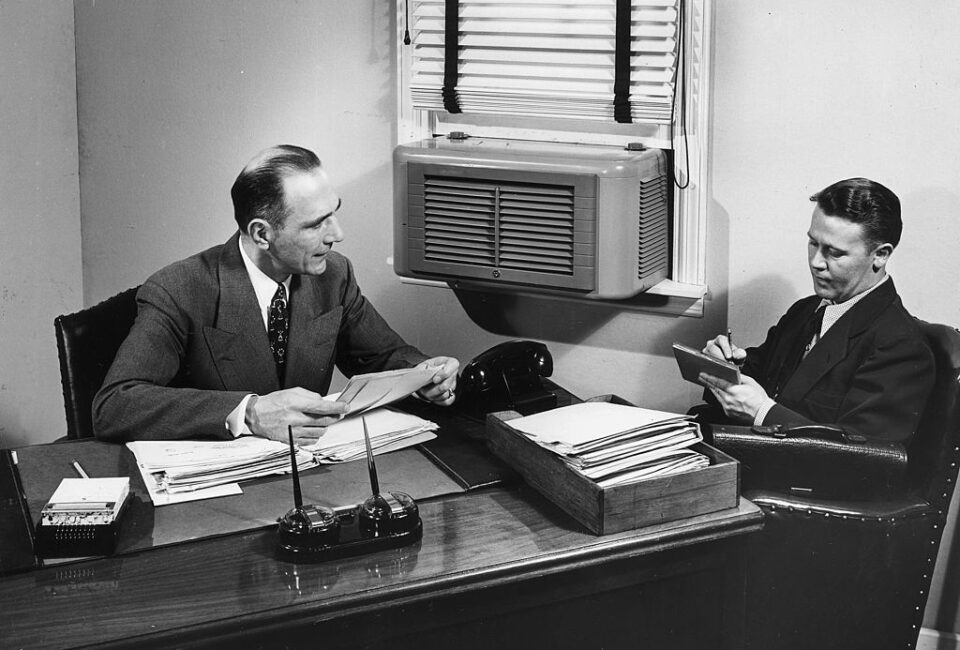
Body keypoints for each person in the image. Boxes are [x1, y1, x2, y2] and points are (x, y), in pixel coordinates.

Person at [93, 144, 459, 444]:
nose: (337, 233)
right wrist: (250, 412)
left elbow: (385, 356)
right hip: (220, 490)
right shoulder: (179, 289)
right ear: (262, 234)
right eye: (316, 224)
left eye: (333, 214)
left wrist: (425, 374)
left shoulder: (334, 274)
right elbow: (115, 405)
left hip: (309, 476)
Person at [697, 177, 934, 443]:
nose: (816, 262)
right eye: (813, 243)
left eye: (834, 253)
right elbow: (765, 376)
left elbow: (865, 461)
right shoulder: (806, 310)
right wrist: (725, 366)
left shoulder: (899, 346)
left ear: (880, 255)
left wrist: (762, 413)